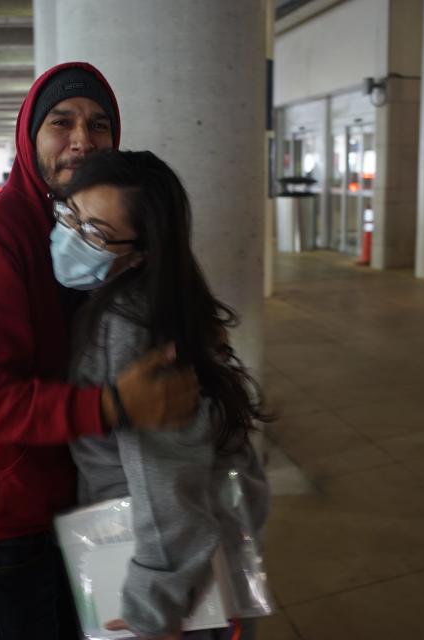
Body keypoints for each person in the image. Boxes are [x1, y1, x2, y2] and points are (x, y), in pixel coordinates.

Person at [0, 62, 200, 640]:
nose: (83, 140)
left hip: (80, 504)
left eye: (99, 125)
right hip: (6, 516)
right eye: (62, 122)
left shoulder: (98, 224)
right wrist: (110, 406)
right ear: (31, 134)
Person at [57, 150, 270, 640]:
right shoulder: (154, 300)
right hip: (177, 561)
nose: (71, 237)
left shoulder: (129, 323)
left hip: (155, 572)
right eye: (70, 215)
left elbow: (164, 475)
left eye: (94, 232)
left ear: (141, 252)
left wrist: (152, 606)